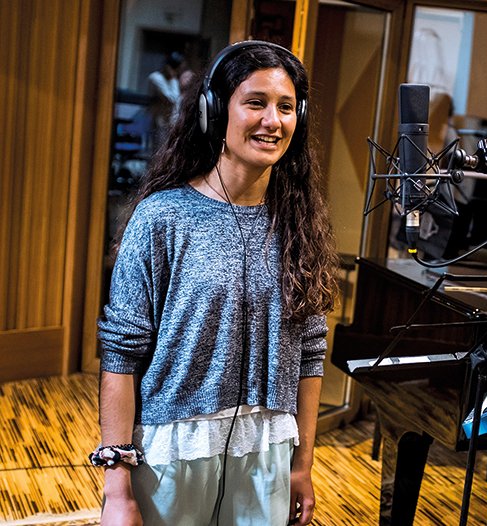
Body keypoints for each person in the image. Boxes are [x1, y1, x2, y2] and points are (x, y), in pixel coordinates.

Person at [93, 40, 338, 525]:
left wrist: (302, 464)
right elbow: (121, 354)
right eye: (255, 102)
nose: (273, 120)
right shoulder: (162, 217)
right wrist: (116, 488)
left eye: (286, 107)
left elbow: (311, 354)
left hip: (268, 451)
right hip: (172, 454)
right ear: (213, 113)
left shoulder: (299, 222)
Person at [147, 51, 185, 151]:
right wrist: (173, 78)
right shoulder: (156, 78)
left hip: (172, 122)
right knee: (159, 152)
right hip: (161, 122)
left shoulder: (173, 80)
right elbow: (172, 99)